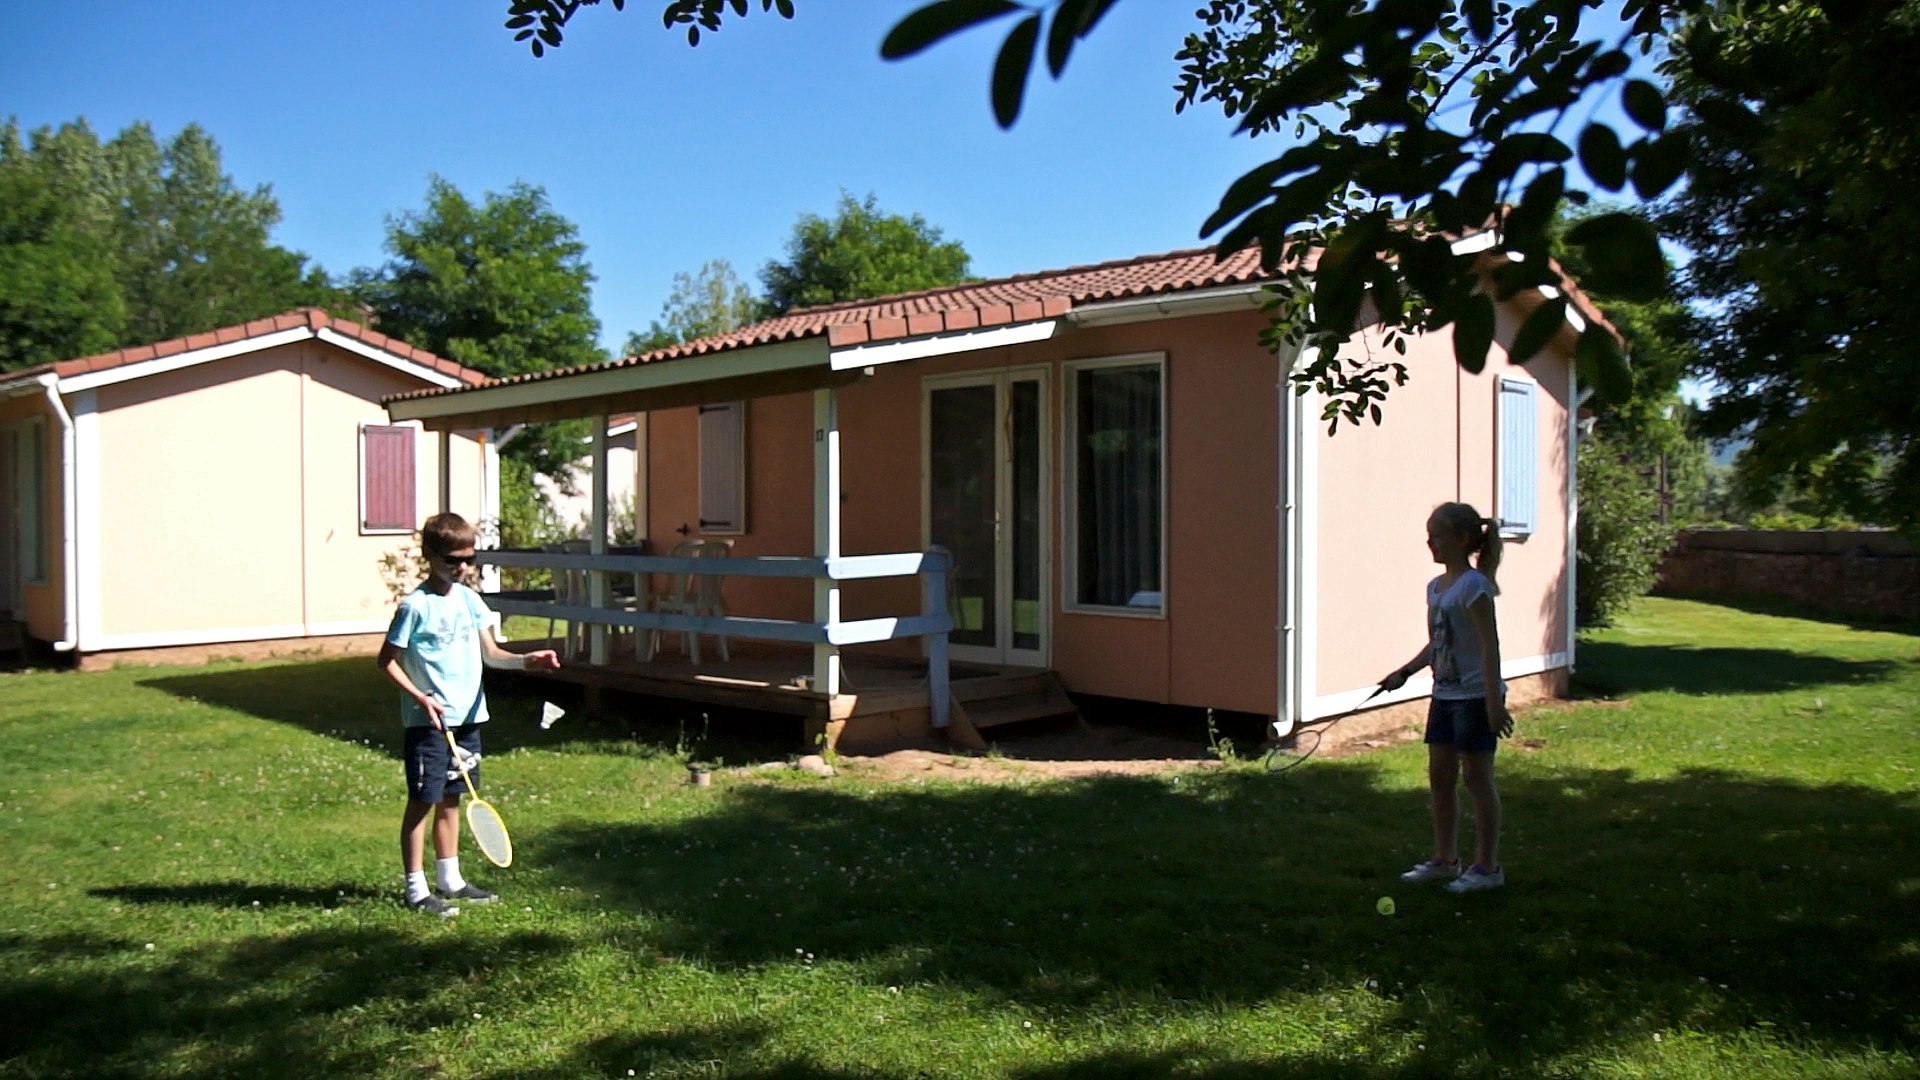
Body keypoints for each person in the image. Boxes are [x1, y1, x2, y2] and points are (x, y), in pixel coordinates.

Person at [378, 512, 560, 916]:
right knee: (422, 802)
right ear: (430, 555)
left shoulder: (470, 601)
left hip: (468, 719)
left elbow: (493, 656)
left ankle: (451, 880)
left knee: (452, 799)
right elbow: (386, 662)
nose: (462, 568)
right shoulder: (415, 607)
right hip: (430, 724)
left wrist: (527, 660)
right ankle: (415, 888)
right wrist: (420, 698)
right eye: (452, 560)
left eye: (469, 559)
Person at [1378, 502, 1513, 893]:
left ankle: (1487, 867)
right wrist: (1404, 672)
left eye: (1436, 535)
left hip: (1473, 698)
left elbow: (1490, 647)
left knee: (1476, 779)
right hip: (1445, 695)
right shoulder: (1435, 588)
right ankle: (1445, 859)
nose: (1429, 542)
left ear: (1462, 539)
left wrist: (1493, 702)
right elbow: (1438, 643)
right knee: (1440, 778)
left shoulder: (1474, 587)